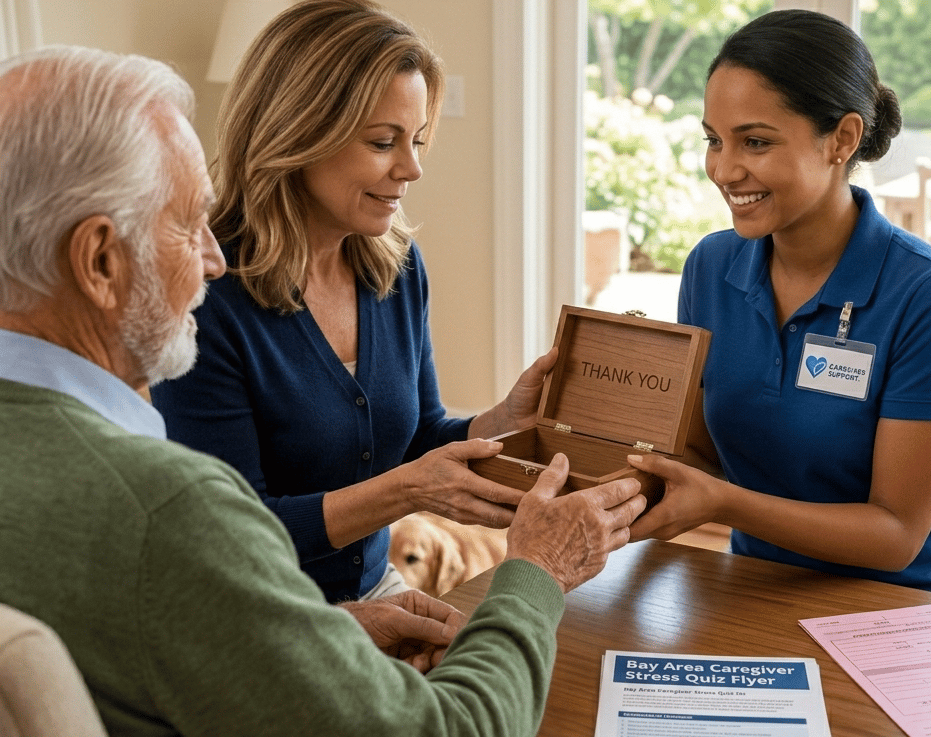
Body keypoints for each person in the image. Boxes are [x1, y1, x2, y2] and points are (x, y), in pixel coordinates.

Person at [0, 45, 647, 736]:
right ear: (100, 260)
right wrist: (538, 570)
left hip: (330, 612)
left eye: (416, 139)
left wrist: (329, 631)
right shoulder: (168, 507)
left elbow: (170, 627)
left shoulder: (392, 266)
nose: (212, 259)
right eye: (189, 226)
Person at [150, 0, 551, 603]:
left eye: (416, 140)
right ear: (299, 131)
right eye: (383, 141)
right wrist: (405, 493)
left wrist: (501, 423)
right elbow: (231, 533)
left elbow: (417, 439)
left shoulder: (395, 265)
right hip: (255, 611)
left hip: (372, 585)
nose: (412, 168)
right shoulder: (205, 293)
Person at [627, 9, 931, 600]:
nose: (723, 169)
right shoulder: (711, 268)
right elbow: (698, 453)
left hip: (910, 602)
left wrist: (725, 504)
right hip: (760, 586)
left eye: (756, 142)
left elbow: (896, 534)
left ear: (842, 140)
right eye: (714, 140)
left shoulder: (930, 294)